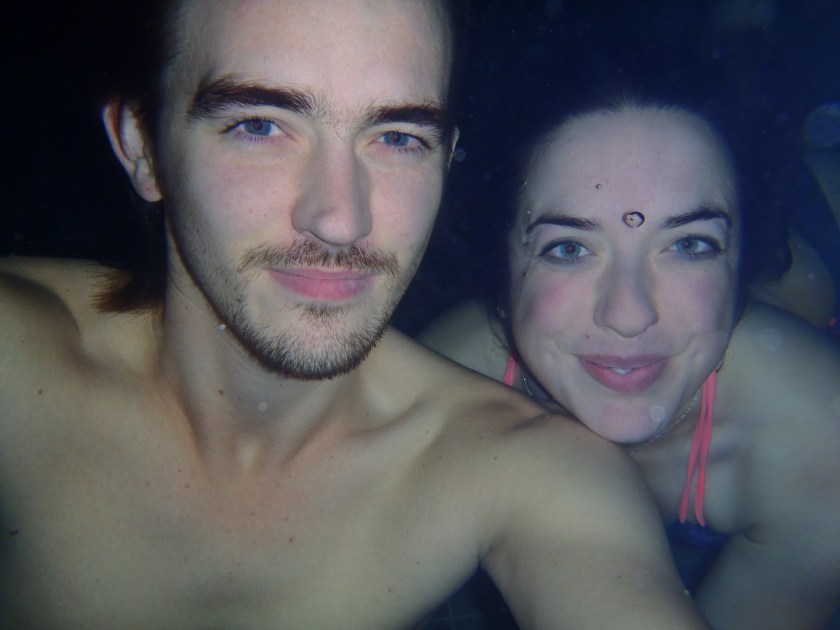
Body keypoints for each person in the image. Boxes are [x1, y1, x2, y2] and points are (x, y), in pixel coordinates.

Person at [0, 1, 710, 627]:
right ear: (143, 146)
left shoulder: (522, 467)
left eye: (398, 137)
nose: (341, 219)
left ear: (446, 159)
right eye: (260, 125)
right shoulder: (19, 362)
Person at [420, 98, 840, 629]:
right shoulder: (445, 386)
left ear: (738, 264)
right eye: (568, 249)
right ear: (502, 262)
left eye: (690, 243)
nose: (629, 316)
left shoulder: (819, 449)